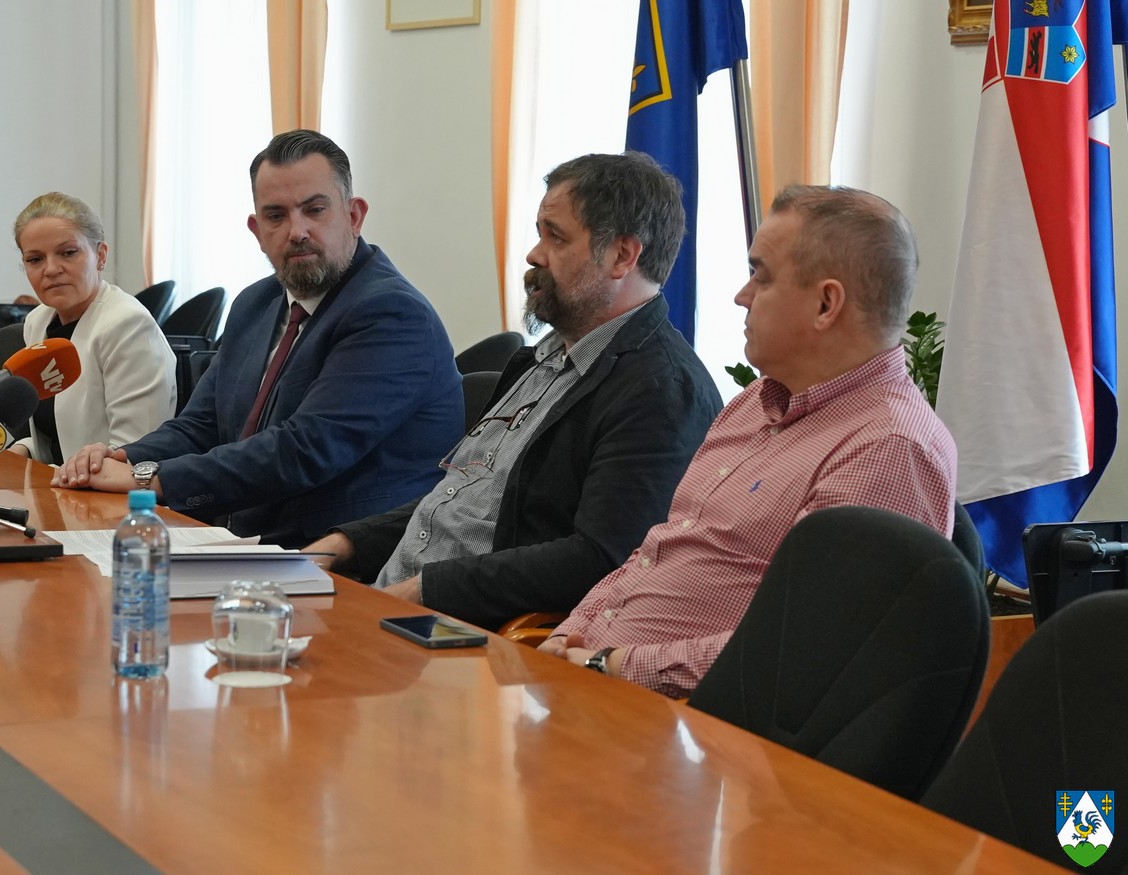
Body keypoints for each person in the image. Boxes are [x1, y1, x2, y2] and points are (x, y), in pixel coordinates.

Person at [539, 185, 957, 697]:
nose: (742, 295)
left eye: (761, 276)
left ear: (826, 304)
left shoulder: (886, 448)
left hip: (692, 722)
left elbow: (807, 652)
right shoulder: (755, 402)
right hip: (596, 684)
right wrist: (566, 639)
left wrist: (613, 665)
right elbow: (655, 555)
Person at [306, 152, 723, 631]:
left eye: (556, 237)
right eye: (539, 233)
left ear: (622, 256)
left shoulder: (660, 391)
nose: (534, 254)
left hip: (466, 638)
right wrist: (345, 544)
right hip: (397, 608)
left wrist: (424, 591)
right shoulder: (546, 357)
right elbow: (463, 499)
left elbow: (602, 559)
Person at [52, 130, 464, 544]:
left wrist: (149, 480)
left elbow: (306, 450)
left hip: (339, 555)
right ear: (256, 229)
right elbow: (202, 425)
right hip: (243, 540)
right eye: (276, 216)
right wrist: (122, 458)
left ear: (354, 216)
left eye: (314, 210)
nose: (297, 231)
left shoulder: (392, 313)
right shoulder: (257, 302)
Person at [11, 192, 176, 465]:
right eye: (35, 259)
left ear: (100, 256)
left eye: (68, 253)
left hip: (112, 487)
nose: (51, 269)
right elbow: (57, 432)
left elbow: (134, 452)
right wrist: (26, 449)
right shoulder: (37, 321)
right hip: (57, 481)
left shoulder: (128, 325)